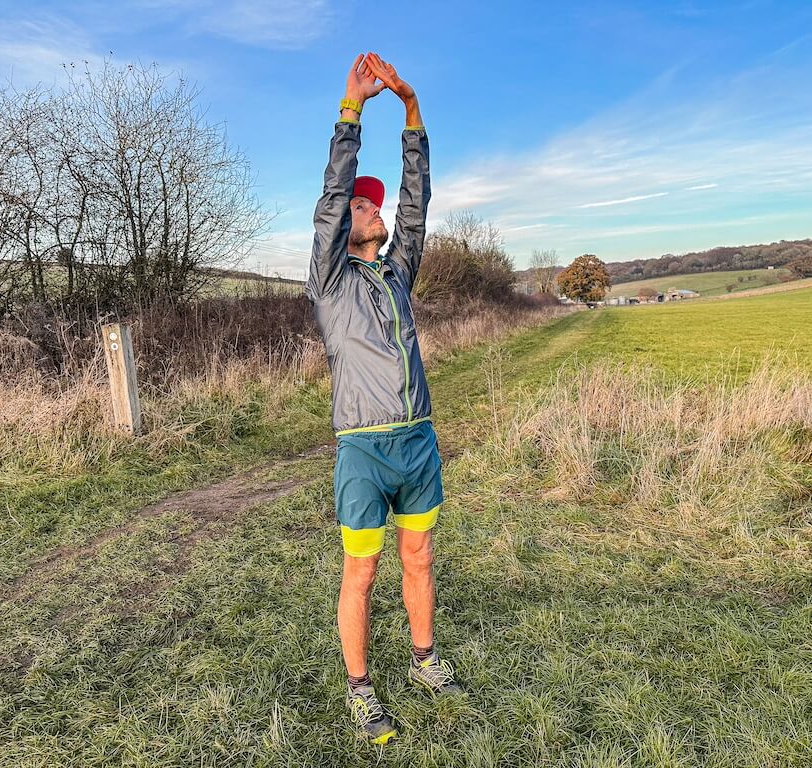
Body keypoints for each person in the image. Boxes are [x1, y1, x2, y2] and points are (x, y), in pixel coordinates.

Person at [305, 52, 464, 745]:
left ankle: (426, 663)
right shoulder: (330, 281)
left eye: (373, 202)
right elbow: (334, 193)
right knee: (362, 570)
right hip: (363, 450)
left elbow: (417, 202)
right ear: (345, 224)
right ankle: (361, 690)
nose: (374, 209)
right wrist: (352, 111)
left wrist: (410, 107)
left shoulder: (397, 272)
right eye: (363, 204)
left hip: (418, 440)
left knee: (421, 557)